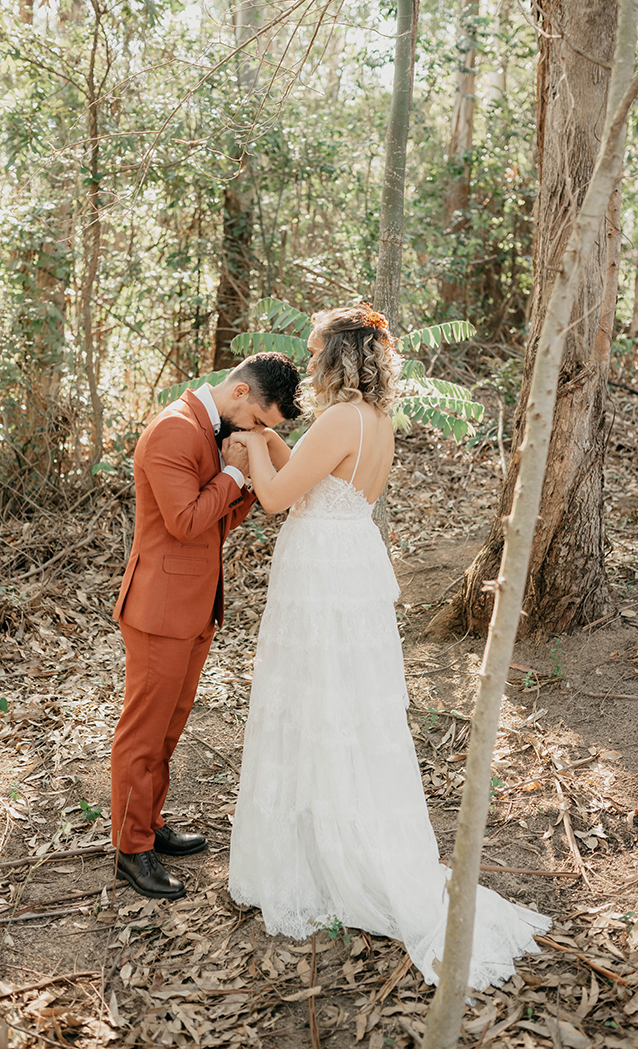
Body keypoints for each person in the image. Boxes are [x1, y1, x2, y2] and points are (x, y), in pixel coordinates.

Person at [227, 305, 551, 991]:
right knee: (344, 704)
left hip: (322, 569)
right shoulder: (372, 419)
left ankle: (324, 858)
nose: (308, 362)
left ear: (338, 357)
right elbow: (315, 479)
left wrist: (250, 442)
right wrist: (273, 443)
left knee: (319, 701)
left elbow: (279, 498)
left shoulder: (338, 418)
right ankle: (336, 832)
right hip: (350, 558)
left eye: (315, 351)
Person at [111, 353, 301, 901]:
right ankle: (130, 850)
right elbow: (185, 521)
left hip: (195, 606)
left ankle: (149, 825)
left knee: (168, 729)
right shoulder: (174, 429)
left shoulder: (213, 430)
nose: (258, 432)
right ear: (239, 392)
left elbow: (219, 521)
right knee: (143, 733)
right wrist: (235, 473)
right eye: (260, 420)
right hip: (159, 609)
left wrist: (244, 482)